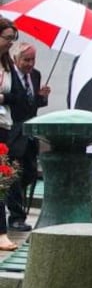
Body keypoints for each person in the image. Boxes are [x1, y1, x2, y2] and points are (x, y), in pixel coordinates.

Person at [6, 41, 50, 232]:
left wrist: (42, 98)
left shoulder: (36, 75)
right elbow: (13, 100)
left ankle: (14, 204)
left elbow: (31, 105)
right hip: (13, 131)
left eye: (33, 59)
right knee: (13, 175)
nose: (30, 64)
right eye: (26, 60)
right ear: (16, 59)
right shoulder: (8, 76)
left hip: (30, 132)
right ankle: (16, 216)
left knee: (30, 173)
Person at [0, 18, 27, 251]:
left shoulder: (9, 67)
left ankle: (1, 233)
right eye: (7, 38)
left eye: (12, 39)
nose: (10, 43)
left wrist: (3, 98)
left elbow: (19, 97)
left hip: (4, 127)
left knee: (1, 178)